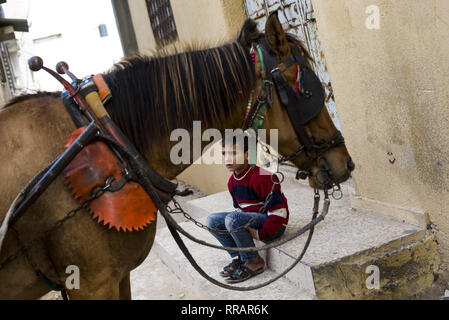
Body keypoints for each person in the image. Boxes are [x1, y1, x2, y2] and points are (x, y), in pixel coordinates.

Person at [206, 132, 289, 283]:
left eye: (233, 153)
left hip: (272, 226)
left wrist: (259, 234)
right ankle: (239, 257)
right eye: (224, 154)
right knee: (212, 220)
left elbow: (279, 213)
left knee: (233, 218)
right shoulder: (232, 182)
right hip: (252, 221)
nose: (227, 159)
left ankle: (254, 261)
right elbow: (240, 210)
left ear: (247, 155)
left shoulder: (263, 177)